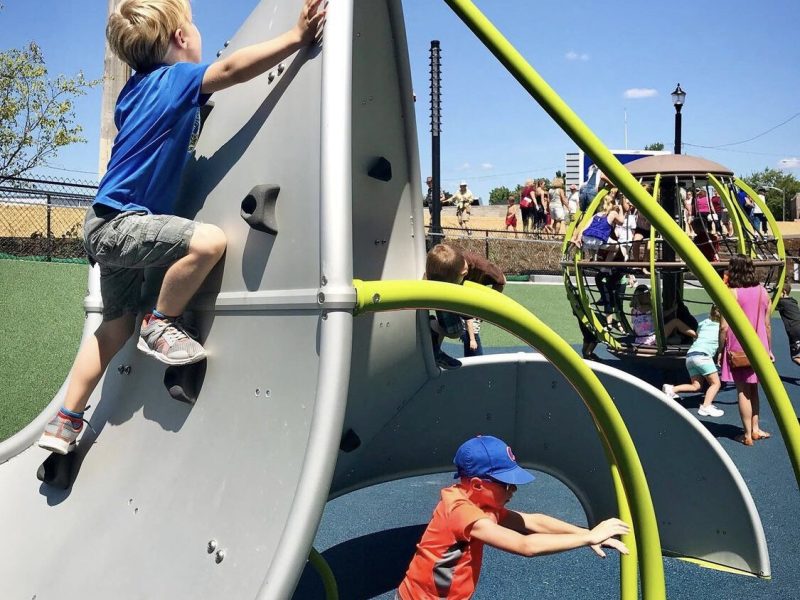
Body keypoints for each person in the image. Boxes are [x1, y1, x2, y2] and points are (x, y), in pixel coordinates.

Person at [37, 0, 325, 455]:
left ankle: (66, 421)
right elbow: (230, 69)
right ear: (181, 39)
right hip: (126, 225)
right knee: (209, 241)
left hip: (103, 226)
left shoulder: (133, 93)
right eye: (194, 26)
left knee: (113, 329)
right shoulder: (177, 79)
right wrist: (296, 38)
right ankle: (161, 321)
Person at [397, 435, 630, 599]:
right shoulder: (461, 512)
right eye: (506, 484)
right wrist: (587, 539)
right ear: (478, 484)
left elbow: (533, 521)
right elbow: (525, 545)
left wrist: (588, 533)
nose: (513, 490)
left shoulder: (479, 501)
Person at [718, 255, 773, 446]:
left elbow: (724, 326)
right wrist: (769, 349)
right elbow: (767, 325)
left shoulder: (731, 293)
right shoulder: (762, 292)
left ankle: (747, 434)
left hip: (738, 347)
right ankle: (756, 428)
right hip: (759, 347)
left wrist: (719, 349)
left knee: (742, 390)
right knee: (754, 388)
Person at [425, 244, 505, 368]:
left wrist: (485, 308)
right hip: (447, 295)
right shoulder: (442, 272)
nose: (464, 274)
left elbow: (501, 280)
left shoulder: (481, 266)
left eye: (463, 275)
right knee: (454, 331)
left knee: (456, 330)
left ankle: (434, 339)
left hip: (464, 297)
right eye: (461, 276)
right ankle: (435, 346)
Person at [662, 305, 724, 417]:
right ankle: (706, 406)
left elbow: (698, 335)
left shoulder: (704, 323)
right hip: (703, 356)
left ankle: (671, 389)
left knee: (696, 386)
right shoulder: (722, 326)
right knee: (715, 383)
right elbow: (723, 337)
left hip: (690, 356)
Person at [630, 285, 697, 346]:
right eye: (647, 294)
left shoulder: (633, 310)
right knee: (675, 322)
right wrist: (673, 309)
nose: (649, 295)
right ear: (641, 297)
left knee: (676, 339)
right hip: (653, 339)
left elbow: (635, 326)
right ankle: (697, 336)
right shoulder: (650, 308)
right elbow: (663, 314)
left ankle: (682, 338)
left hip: (639, 340)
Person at [570, 195, 624, 260]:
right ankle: (605, 268)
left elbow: (585, 228)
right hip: (598, 240)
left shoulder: (596, 215)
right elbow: (621, 222)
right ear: (612, 204)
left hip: (587, 239)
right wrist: (621, 209)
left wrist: (579, 238)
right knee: (616, 247)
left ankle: (594, 263)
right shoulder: (613, 213)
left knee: (594, 251)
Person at [776, 280, 800, 366]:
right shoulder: (793, 301)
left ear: (783, 291)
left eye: (777, 291)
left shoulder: (781, 302)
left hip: (794, 330)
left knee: (795, 357)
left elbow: (769, 304)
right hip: (798, 326)